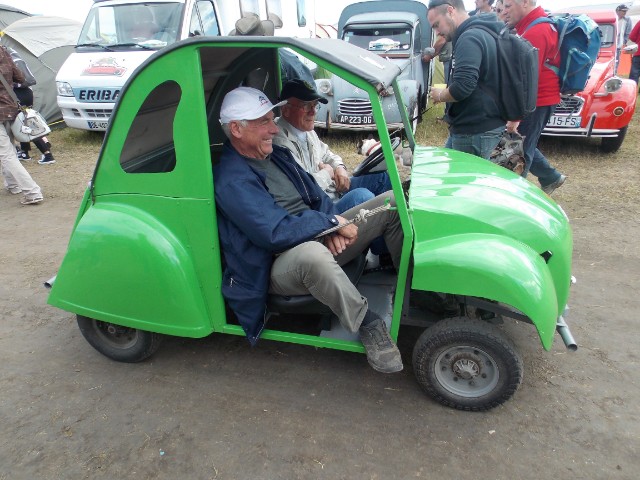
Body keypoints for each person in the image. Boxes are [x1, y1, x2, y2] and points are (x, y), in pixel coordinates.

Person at [213, 86, 404, 373]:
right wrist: (329, 225)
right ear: (236, 129)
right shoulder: (231, 179)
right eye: (264, 122)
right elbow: (272, 233)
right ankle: (368, 323)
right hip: (274, 264)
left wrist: (331, 226)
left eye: (271, 119)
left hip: (312, 234)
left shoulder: (276, 156)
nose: (273, 130)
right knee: (314, 255)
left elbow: (317, 196)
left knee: (389, 205)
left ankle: (413, 288)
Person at [273, 79, 392, 212]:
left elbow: (328, 155)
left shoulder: (307, 131)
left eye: (315, 105)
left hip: (332, 192)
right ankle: (376, 228)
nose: (313, 112)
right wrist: (327, 172)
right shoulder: (279, 142)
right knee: (363, 196)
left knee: (381, 177)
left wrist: (339, 168)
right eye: (306, 106)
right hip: (319, 209)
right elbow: (301, 189)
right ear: (285, 109)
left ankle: (394, 223)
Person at [427, 0, 506, 159]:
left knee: (463, 182)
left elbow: (464, 86)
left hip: (475, 129)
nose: (437, 32)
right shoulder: (479, 31)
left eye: (437, 25)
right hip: (473, 125)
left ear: (450, 10)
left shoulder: (469, 37)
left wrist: (441, 95)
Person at [504, 0, 567, 195]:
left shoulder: (536, 31)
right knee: (525, 144)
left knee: (522, 151)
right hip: (539, 100)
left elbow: (528, 79)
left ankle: (516, 197)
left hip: (537, 101)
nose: (506, 11)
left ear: (524, 3)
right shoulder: (535, 26)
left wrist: (516, 117)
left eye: (508, 6)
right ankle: (550, 177)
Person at [0, 47, 43, 205]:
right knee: (8, 149)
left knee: (6, 154)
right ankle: (12, 185)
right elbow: (20, 77)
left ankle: (32, 192)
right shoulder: (3, 51)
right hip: (9, 109)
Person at [615, 4, 633, 75]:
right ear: (618, 11)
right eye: (623, 11)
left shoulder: (627, 20)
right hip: (609, 43)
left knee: (616, 61)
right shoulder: (613, 17)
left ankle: (614, 74)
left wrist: (624, 42)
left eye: (626, 11)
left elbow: (628, 33)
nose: (625, 12)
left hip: (619, 44)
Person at [628, 17, 640, 87]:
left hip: (639, 52)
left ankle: (632, 90)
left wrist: (638, 41)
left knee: (634, 74)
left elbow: (632, 36)